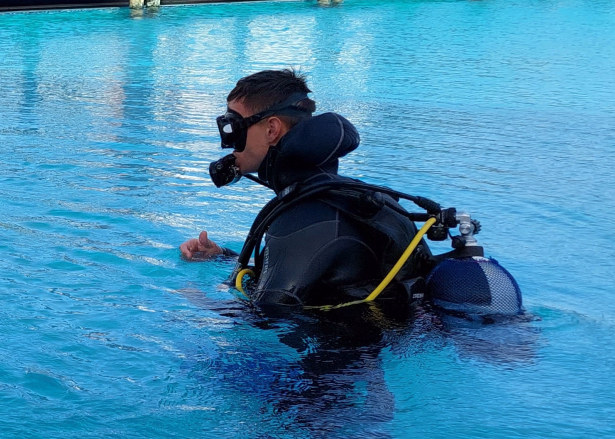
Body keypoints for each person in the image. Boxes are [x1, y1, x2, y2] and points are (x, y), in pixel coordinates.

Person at [179, 69, 434, 314]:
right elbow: (310, 273)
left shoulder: (302, 218)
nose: (228, 143)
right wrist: (222, 256)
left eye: (233, 127)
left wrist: (194, 299)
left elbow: (266, 316)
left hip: (338, 356)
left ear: (271, 129)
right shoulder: (348, 196)